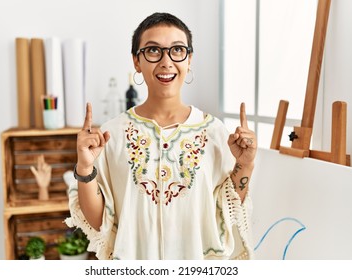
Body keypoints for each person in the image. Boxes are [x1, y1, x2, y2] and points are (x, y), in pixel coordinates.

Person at [65, 12, 257, 260]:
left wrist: (246, 163)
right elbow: (98, 220)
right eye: (153, 51)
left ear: (189, 60)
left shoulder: (214, 132)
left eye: (177, 50)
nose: (166, 61)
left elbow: (227, 209)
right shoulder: (112, 134)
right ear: (137, 61)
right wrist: (84, 166)